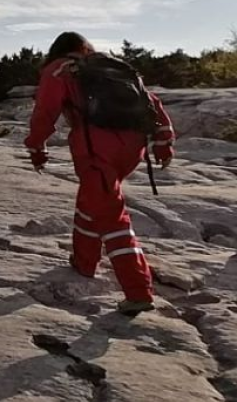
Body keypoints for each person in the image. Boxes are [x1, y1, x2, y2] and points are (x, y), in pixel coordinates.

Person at [24, 32, 176, 314]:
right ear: (85, 48)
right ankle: (84, 261)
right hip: (132, 149)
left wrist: (36, 147)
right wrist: (164, 144)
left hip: (96, 149)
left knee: (112, 218)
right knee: (91, 201)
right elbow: (152, 101)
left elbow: (46, 111)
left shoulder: (60, 70)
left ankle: (138, 291)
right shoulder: (112, 66)